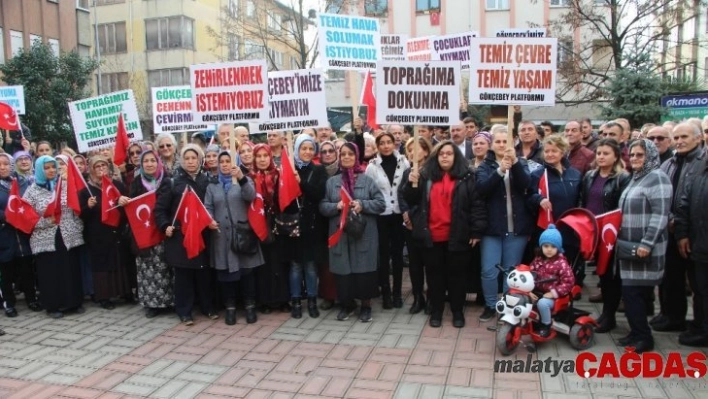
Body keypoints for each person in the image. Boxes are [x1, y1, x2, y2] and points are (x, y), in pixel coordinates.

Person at [402, 141, 487, 328]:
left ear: (456, 156)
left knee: (457, 277)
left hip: (458, 235)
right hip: (431, 237)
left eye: (449, 153)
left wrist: (476, 231)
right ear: (436, 157)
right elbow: (410, 199)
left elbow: (477, 206)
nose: (445, 157)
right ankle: (437, 312)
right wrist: (411, 183)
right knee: (435, 277)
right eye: (441, 154)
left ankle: (457, 312)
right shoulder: (424, 175)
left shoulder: (467, 177)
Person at [616, 139, 672, 353]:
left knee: (634, 293)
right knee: (630, 293)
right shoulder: (636, 178)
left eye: (640, 155)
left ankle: (644, 338)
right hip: (630, 246)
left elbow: (660, 215)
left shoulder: (657, 177)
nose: (635, 159)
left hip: (645, 248)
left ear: (650, 156)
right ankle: (635, 332)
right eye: (632, 155)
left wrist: (647, 243)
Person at [320, 142, 385, 322]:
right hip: (341, 235)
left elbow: (381, 204)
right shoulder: (332, 181)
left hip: (363, 235)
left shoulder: (367, 180)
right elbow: (323, 206)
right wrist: (336, 206)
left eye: (350, 154)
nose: (347, 157)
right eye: (343, 154)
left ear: (356, 157)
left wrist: (362, 205)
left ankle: (365, 306)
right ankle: (347, 305)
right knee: (343, 272)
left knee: (364, 271)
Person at [154, 144, 218, 326]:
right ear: (182, 161)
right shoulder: (172, 182)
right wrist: (164, 225)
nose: (191, 161)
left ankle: (207, 307)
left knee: (204, 274)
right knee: (183, 275)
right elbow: (160, 210)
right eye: (187, 158)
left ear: (200, 160)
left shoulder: (207, 181)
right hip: (181, 236)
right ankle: (184, 311)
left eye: (194, 158)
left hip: (203, 234)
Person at [476, 129, 533, 322]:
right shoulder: (485, 165)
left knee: (511, 271)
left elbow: (527, 184)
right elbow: (482, 189)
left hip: (517, 228)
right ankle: (491, 305)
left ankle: (509, 305)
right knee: (489, 270)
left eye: (504, 141)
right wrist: (500, 170)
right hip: (492, 228)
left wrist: (515, 164)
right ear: (492, 144)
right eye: (498, 141)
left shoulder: (522, 162)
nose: (501, 144)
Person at [205, 150, 263, 325]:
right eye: (221, 161)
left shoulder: (243, 180)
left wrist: (242, 178)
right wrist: (210, 220)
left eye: (227, 161)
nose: (224, 164)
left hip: (242, 235)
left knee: (246, 273)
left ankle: (250, 306)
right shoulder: (212, 186)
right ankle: (230, 307)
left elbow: (251, 196)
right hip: (221, 237)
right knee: (226, 275)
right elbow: (208, 206)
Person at [23, 156, 85, 318]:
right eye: (47, 168)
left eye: (53, 167)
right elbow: (25, 218)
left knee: (70, 269)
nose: (51, 170)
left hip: (67, 234)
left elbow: (74, 208)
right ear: (39, 170)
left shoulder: (64, 185)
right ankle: (53, 306)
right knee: (50, 272)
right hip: (46, 237)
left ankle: (74, 302)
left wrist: (78, 228)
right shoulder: (32, 191)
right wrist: (45, 222)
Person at [579, 139, 630, 333]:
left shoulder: (622, 178)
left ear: (616, 156)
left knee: (610, 275)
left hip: (610, 234)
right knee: (601, 273)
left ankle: (609, 315)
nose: (601, 156)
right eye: (599, 153)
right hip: (592, 232)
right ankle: (605, 313)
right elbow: (584, 200)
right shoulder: (590, 176)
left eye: (606, 153)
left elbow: (621, 209)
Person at [79, 155, 134, 310]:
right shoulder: (86, 191)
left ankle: (126, 292)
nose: (101, 168)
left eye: (103, 165)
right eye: (97, 166)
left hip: (117, 231)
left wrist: (123, 202)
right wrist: (88, 207)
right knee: (103, 264)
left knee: (121, 260)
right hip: (98, 234)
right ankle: (104, 296)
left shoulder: (117, 185)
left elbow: (127, 206)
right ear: (91, 169)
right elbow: (81, 215)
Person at [281, 135, 327, 318]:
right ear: (297, 150)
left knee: (310, 266)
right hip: (293, 225)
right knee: (295, 266)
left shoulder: (319, 170)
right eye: (303, 148)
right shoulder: (289, 169)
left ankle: (313, 300)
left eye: (310, 148)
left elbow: (318, 194)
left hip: (312, 226)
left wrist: (301, 183)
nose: (307, 152)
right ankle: (296, 301)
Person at [527, 134, 582, 281]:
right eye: (547, 151)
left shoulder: (575, 174)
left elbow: (581, 198)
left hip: (570, 227)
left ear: (562, 152)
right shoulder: (537, 174)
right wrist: (539, 199)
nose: (550, 154)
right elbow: (528, 196)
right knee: (548, 264)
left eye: (554, 151)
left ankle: (568, 290)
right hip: (548, 227)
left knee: (569, 261)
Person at [365, 131, 409, 309]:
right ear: (378, 146)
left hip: (399, 215)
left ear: (394, 144)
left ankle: (397, 293)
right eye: (382, 143)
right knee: (383, 256)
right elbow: (368, 190)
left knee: (397, 256)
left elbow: (406, 188)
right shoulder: (372, 166)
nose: (385, 146)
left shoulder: (403, 162)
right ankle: (386, 294)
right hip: (381, 216)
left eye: (388, 142)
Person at [128, 150, 173, 318]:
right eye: (145, 161)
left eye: (152, 160)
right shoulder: (136, 183)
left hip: (163, 230)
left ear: (158, 162)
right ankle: (152, 304)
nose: (149, 164)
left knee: (166, 267)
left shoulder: (167, 180)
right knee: (147, 268)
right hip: (144, 233)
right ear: (141, 164)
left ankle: (170, 301)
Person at [0, 153, 41, 316]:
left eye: (5, 164)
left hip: (23, 235)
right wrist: (8, 216)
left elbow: (28, 203)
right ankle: (9, 303)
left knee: (26, 270)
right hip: (4, 235)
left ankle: (31, 299)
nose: (2, 167)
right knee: (6, 272)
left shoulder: (22, 183)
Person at [251, 144, 290, 314]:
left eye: (264, 156)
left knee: (280, 264)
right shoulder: (249, 178)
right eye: (258, 156)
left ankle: (283, 300)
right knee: (264, 266)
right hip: (260, 225)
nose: (261, 159)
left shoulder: (279, 175)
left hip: (278, 225)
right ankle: (265, 301)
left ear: (270, 157)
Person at [675, 149, 708, 347]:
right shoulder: (699, 167)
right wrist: (683, 233)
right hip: (699, 243)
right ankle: (701, 325)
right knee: (701, 289)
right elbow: (685, 201)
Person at [398, 136, 433, 314]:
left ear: (426, 151)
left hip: (427, 224)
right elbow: (401, 194)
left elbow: (428, 199)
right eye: (409, 150)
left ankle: (432, 298)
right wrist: (405, 213)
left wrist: (411, 214)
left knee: (430, 263)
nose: (412, 152)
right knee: (415, 264)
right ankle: (418, 297)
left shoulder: (433, 172)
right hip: (410, 226)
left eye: (416, 149)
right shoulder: (408, 172)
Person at [529, 225, 575, 338]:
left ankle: (546, 325)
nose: (549, 249)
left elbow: (569, 282)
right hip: (539, 291)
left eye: (553, 246)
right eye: (546, 246)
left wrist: (554, 293)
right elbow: (530, 274)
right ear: (541, 246)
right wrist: (528, 289)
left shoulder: (561, 263)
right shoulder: (538, 260)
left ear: (558, 248)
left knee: (542, 303)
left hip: (556, 296)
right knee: (524, 299)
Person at [316, 141, 339, 310]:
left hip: (341, 220)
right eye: (324, 151)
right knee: (325, 263)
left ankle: (344, 294)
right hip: (322, 221)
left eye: (331, 150)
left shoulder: (344, 170)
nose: (328, 154)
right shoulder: (317, 171)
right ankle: (328, 296)